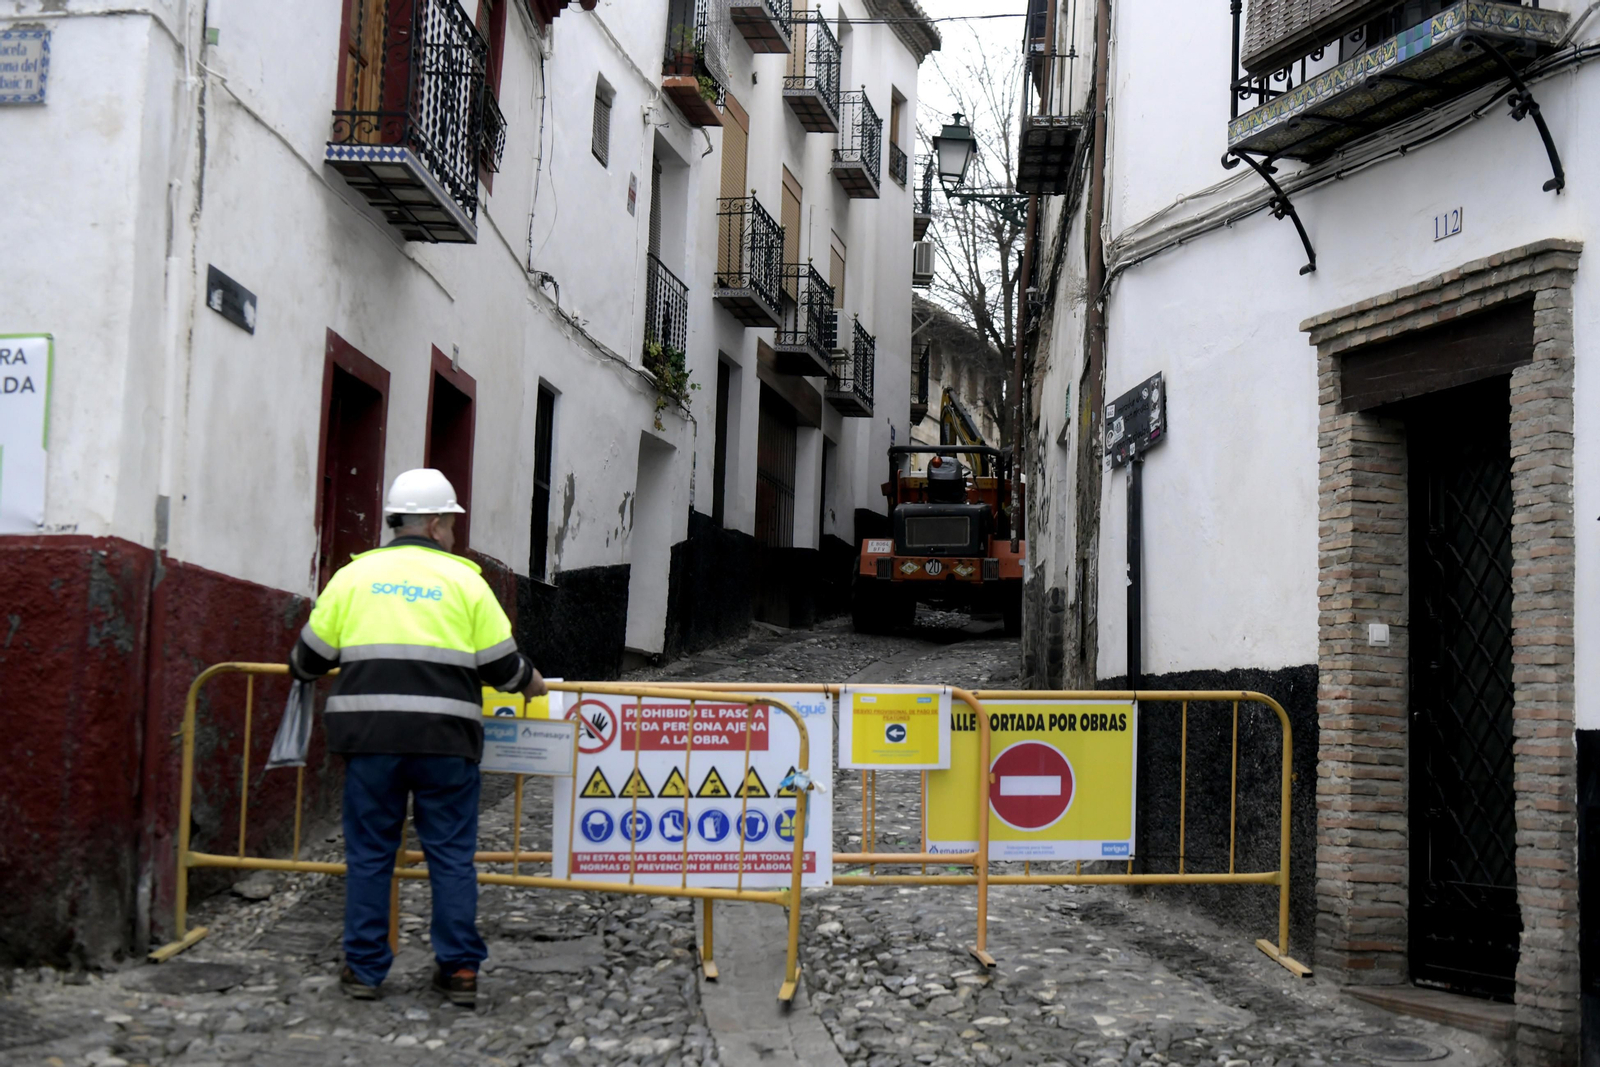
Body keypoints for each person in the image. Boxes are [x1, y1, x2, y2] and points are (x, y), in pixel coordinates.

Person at [289, 468, 545, 1007]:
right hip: (446, 745)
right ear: (432, 524)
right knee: (450, 855)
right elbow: (501, 667)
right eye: (451, 524)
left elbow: (307, 660)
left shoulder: (352, 578)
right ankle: (458, 973)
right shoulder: (466, 581)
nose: (454, 534)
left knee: (371, 855)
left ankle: (364, 971)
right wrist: (531, 681)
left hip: (370, 742)